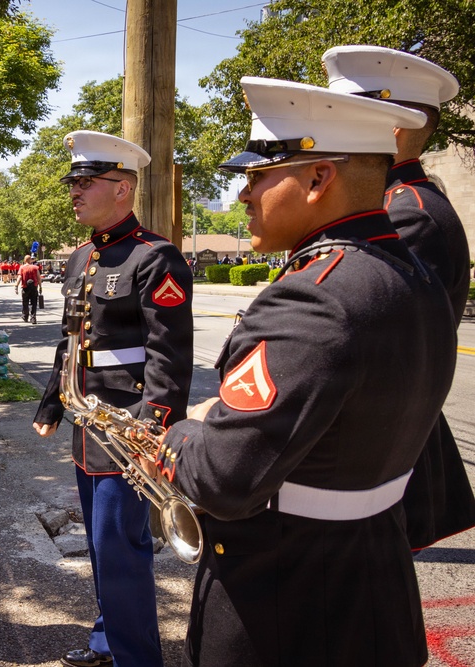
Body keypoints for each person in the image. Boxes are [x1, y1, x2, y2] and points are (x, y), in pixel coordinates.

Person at [149, 77, 456, 667]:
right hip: (377, 594)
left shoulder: (313, 297)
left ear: (319, 178)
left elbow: (223, 479)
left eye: (259, 175)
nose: (244, 194)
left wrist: (184, 431)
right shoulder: (411, 275)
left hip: (286, 609)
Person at [33, 130, 194, 667]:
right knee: (103, 545)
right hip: (87, 422)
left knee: (121, 548)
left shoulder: (155, 258)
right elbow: (71, 342)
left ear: (122, 188)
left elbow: (169, 357)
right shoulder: (82, 258)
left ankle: (136, 658)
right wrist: (52, 402)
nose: (74, 191)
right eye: (73, 182)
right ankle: (109, 640)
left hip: (127, 430)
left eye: (84, 182)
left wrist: (154, 429)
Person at [323, 45, 475, 550]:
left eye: (344, 116)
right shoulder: (390, 203)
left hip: (379, 435)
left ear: (390, 129)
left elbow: (388, 340)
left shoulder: (405, 213)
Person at [15, 254, 41, 323]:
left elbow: (19, 277)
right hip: (34, 287)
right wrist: (40, 286)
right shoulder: (35, 267)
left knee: (25, 303)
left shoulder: (22, 268)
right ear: (30, 260)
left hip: (25, 287)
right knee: (33, 303)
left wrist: (16, 286)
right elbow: (39, 278)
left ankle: (25, 316)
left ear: (24, 260)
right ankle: (33, 318)